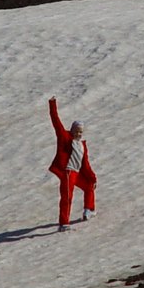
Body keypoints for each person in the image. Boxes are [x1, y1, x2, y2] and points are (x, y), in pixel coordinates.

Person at [47, 96, 97, 231]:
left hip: (76, 172)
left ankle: (89, 209)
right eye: (76, 131)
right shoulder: (65, 138)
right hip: (68, 172)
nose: (79, 134)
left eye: (81, 131)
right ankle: (64, 223)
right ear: (72, 130)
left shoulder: (82, 145)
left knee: (89, 185)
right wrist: (52, 104)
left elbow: (85, 164)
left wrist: (92, 177)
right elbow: (56, 121)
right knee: (67, 197)